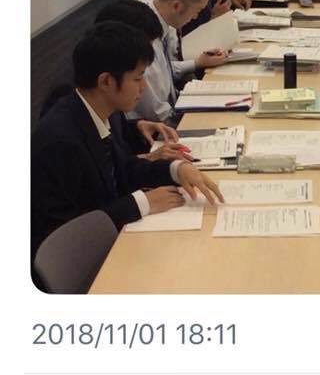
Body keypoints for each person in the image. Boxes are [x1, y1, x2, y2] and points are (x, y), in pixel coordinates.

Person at [31, 22, 224, 261]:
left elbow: (123, 168)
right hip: (78, 261)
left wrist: (175, 169)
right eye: (138, 78)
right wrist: (141, 203)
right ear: (106, 82)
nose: (143, 87)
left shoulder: (103, 109)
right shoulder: (61, 142)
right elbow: (65, 232)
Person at [129, 0, 225, 124]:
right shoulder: (146, 35)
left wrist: (197, 62)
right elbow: (157, 113)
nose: (195, 17)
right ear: (177, 6)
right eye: (197, 10)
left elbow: (163, 71)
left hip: (172, 108)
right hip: (156, 126)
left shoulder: (164, 23)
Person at [94, 0, 188, 160]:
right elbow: (110, 171)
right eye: (138, 78)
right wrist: (148, 158)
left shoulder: (107, 105)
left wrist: (137, 126)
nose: (143, 85)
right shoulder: (68, 138)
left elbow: (117, 131)